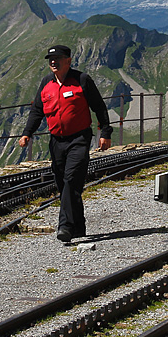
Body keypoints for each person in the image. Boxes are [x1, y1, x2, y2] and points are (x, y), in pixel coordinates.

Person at [19, 45, 113, 243]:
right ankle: (78, 226)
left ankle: (65, 226)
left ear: (68, 61)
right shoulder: (46, 83)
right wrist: (27, 133)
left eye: (58, 58)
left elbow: (99, 107)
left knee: (71, 179)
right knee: (64, 184)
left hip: (79, 139)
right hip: (56, 141)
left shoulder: (82, 80)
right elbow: (37, 110)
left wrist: (105, 132)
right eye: (51, 59)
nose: (54, 62)